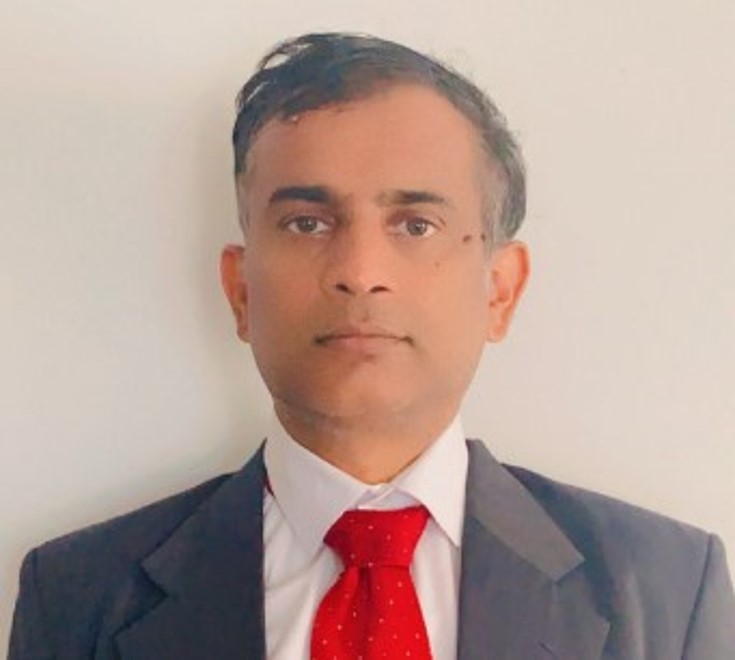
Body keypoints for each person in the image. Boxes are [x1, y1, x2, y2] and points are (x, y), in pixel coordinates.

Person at [8, 32, 735, 660]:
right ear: (239, 289)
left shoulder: (666, 590)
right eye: (307, 223)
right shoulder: (79, 597)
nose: (359, 272)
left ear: (499, 290)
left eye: (415, 224)